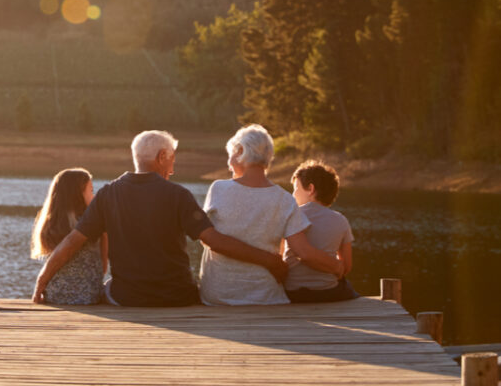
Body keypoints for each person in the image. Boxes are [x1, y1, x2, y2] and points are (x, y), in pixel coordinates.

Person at [33, 130, 287, 307]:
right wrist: (269, 260)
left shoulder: (108, 194)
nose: (173, 169)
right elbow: (214, 241)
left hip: (126, 298)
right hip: (178, 297)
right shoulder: (178, 194)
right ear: (161, 157)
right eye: (172, 160)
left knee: (108, 286)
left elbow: (71, 243)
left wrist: (41, 281)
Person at [198, 124, 343, 306]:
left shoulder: (219, 188)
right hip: (265, 298)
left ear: (241, 151)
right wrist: (337, 266)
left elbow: (207, 239)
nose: (228, 164)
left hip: (218, 296)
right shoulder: (285, 199)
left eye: (231, 155)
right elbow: (304, 252)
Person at [283, 160, 360, 303]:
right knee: (348, 287)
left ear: (311, 189)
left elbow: (281, 258)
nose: (293, 194)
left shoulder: (290, 216)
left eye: (295, 188)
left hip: (292, 293)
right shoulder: (341, 220)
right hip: (328, 292)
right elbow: (347, 266)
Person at [31, 168, 107, 305]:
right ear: (77, 194)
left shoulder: (51, 224)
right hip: (88, 297)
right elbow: (103, 267)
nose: (94, 196)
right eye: (91, 191)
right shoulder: (93, 224)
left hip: (56, 294)